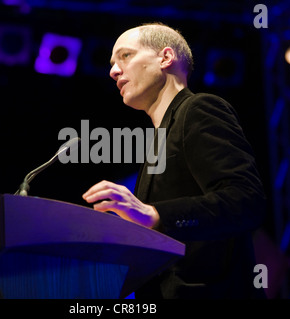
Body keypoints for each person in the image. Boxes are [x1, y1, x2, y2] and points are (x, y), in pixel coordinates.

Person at [82, 22, 267, 299]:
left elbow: (245, 201)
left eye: (125, 56)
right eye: (111, 62)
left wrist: (155, 215)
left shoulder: (200, 109)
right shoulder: (158, 140)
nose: (113, 71)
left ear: (166, 58)